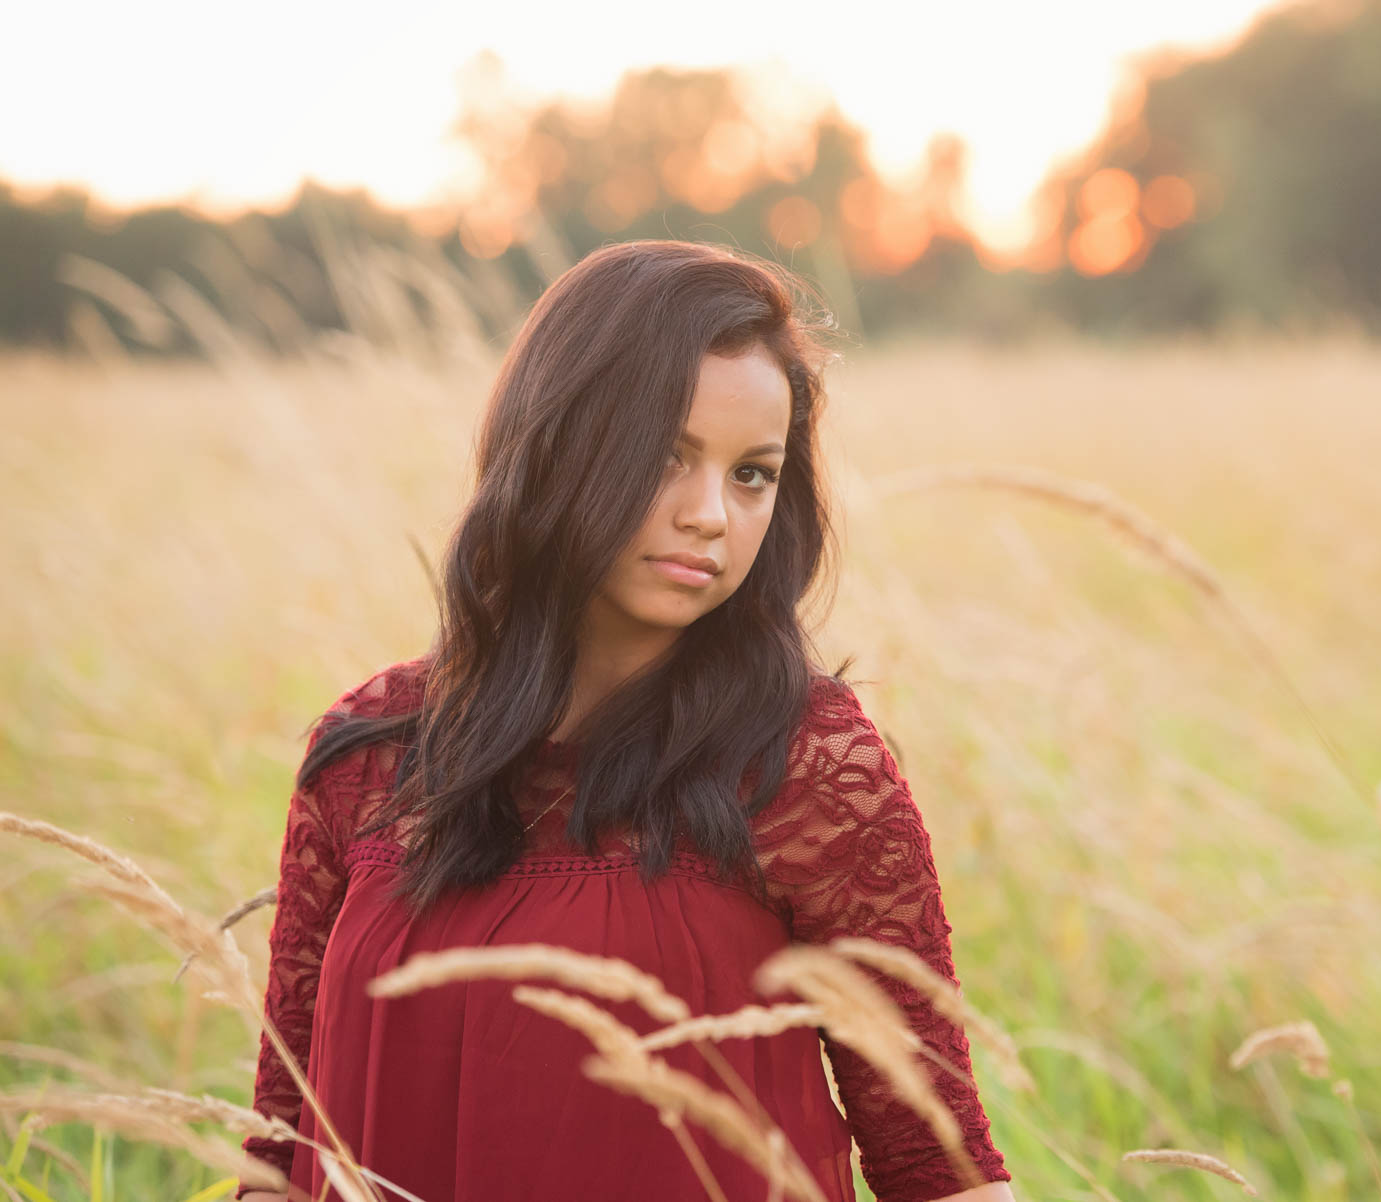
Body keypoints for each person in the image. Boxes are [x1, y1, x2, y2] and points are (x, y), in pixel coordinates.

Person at [236, 240, 1016, 1202]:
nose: (711, 516)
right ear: (555, 446)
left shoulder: (806, 766)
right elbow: (278, 1145)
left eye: (753, 475)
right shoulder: (372, 752)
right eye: (666, 457)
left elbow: (937, 1165)